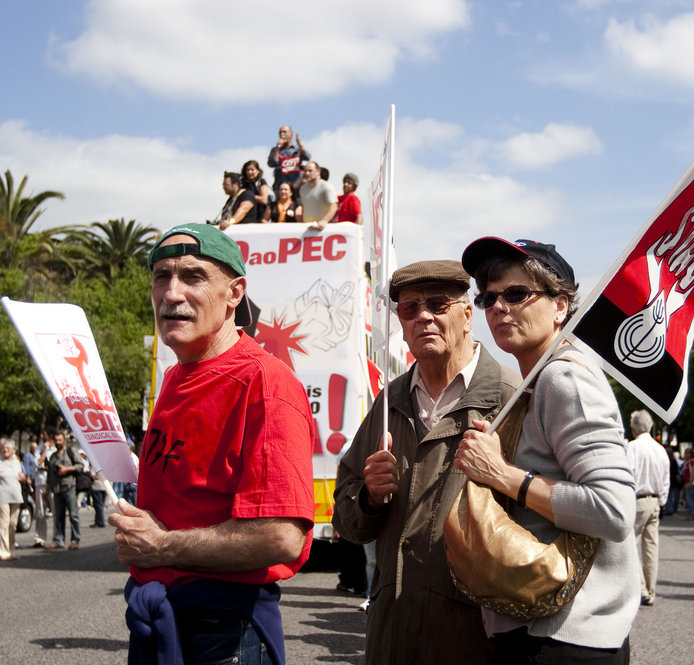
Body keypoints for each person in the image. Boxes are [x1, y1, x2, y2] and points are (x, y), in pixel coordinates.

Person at [110, 223, 315, 665]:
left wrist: (160, 545)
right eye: (161, 276)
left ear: (235, 293)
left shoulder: (265, 384)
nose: (171, 293)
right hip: (161, 618)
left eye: (192, 276)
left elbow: (282, 537)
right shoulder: (173, 377)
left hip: (225, 635)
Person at [455, 237, 639, 663]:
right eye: (487, 297)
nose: (499, 308)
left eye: (516, 294)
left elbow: (613, 510)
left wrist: (502, 474)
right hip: (547, 625)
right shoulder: (536, 380)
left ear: (560, 306)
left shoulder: (564, 378)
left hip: (563, 636)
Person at [333, 259, 519, 665]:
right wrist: (367, 497)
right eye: (409, 308)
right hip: (392, 636)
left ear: (468, 314)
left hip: (473, 640)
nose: (424, 317)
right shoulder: (389, 401)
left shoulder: (510, 399)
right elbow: (345, 520)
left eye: (438, 304)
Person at [626, 409, 670, 607]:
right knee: (651, 548)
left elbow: (627, 475)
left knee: (631, 545)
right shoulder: (660, 449)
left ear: (634, 429)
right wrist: (661, 501)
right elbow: (666, 480)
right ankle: (650, 590)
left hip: (637, 500)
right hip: (654, 501)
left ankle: (641, 588)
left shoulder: (632, 448)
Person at [0, 437, 25, 561]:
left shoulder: (16, 461)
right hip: (1, 496)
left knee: (13, 524)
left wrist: (23, 477)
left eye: (8, 448)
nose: (6, 450)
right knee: (3, 523)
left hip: (15, 496)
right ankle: (2, 551)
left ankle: (9, 548)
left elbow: (20, 476)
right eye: (3, 447)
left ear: (14, 450)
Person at [46, 431, 83, 550]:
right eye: (56, 440)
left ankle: (75, 539)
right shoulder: (52, 457)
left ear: (64, 441)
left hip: (69, 488)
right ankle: (58, 539)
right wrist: (47, 489)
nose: (58, 442)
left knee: (73, 515)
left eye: (60, 440)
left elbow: (80, 466)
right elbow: (49, 475)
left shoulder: (70, 452)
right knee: (58, 516)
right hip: (57, 489)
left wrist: (67, 469)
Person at [267, 125, 310, 191]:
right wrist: (278, 148)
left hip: (297, 185)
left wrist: (300, 144)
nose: (282, 134)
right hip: (281, 187)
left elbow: (307, 157)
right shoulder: (275, 150)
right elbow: (272, 163)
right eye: (280, 132)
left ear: (291, 134)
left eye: (284, 132)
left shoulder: (297, 149)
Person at [299, 161, 337, 230]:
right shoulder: (303, 188)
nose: (307, 173)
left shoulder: (326, 187)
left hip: (322, 230)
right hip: (307, 230)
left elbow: (334, 206)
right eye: (305, 171)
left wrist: (324, 220)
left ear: (318, 172)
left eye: (310, 171)